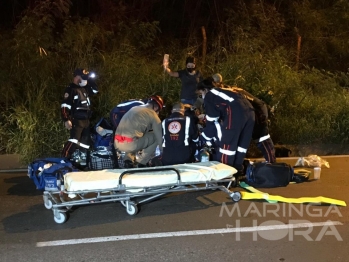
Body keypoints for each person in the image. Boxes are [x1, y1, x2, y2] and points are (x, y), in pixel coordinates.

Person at [212, 73, 276, 163]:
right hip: (250, 117)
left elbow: (256, 103)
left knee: (262, 139)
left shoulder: (232, 92)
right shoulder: (227, 93)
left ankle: (272, 165)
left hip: (256, 116)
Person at [197, 77, 255, 173]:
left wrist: (203, 137)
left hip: (235, 112)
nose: (201, 97)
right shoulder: (225, 90)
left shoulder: (209, 95)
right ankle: (237, 170)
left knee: (227, 144)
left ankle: (225, 174)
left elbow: (212, 123)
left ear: (205, 90)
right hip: (250, 112)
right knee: (241, 145)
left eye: (200, 94)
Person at [114, 95, 164, 168]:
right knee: (155, 137)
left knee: (135, 135)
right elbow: (160, 139)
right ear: (156, 107)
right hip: (130, 145)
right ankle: (142, 162)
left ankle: (128, 160)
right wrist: (164, 154)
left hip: (117, 143)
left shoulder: (135, 108)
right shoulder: (153, 115)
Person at [61, 68, 98, 162]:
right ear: (77, 77)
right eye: (83, 77)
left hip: (86, 119)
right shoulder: (70, 89)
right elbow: (65, 105)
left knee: (85, 142)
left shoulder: (84, 89)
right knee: (74, 140)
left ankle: (83, 161)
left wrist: (91, 80)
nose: (85, 80)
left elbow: (95, 90)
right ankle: (64, 159)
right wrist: (66, 119)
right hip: (77, 119)